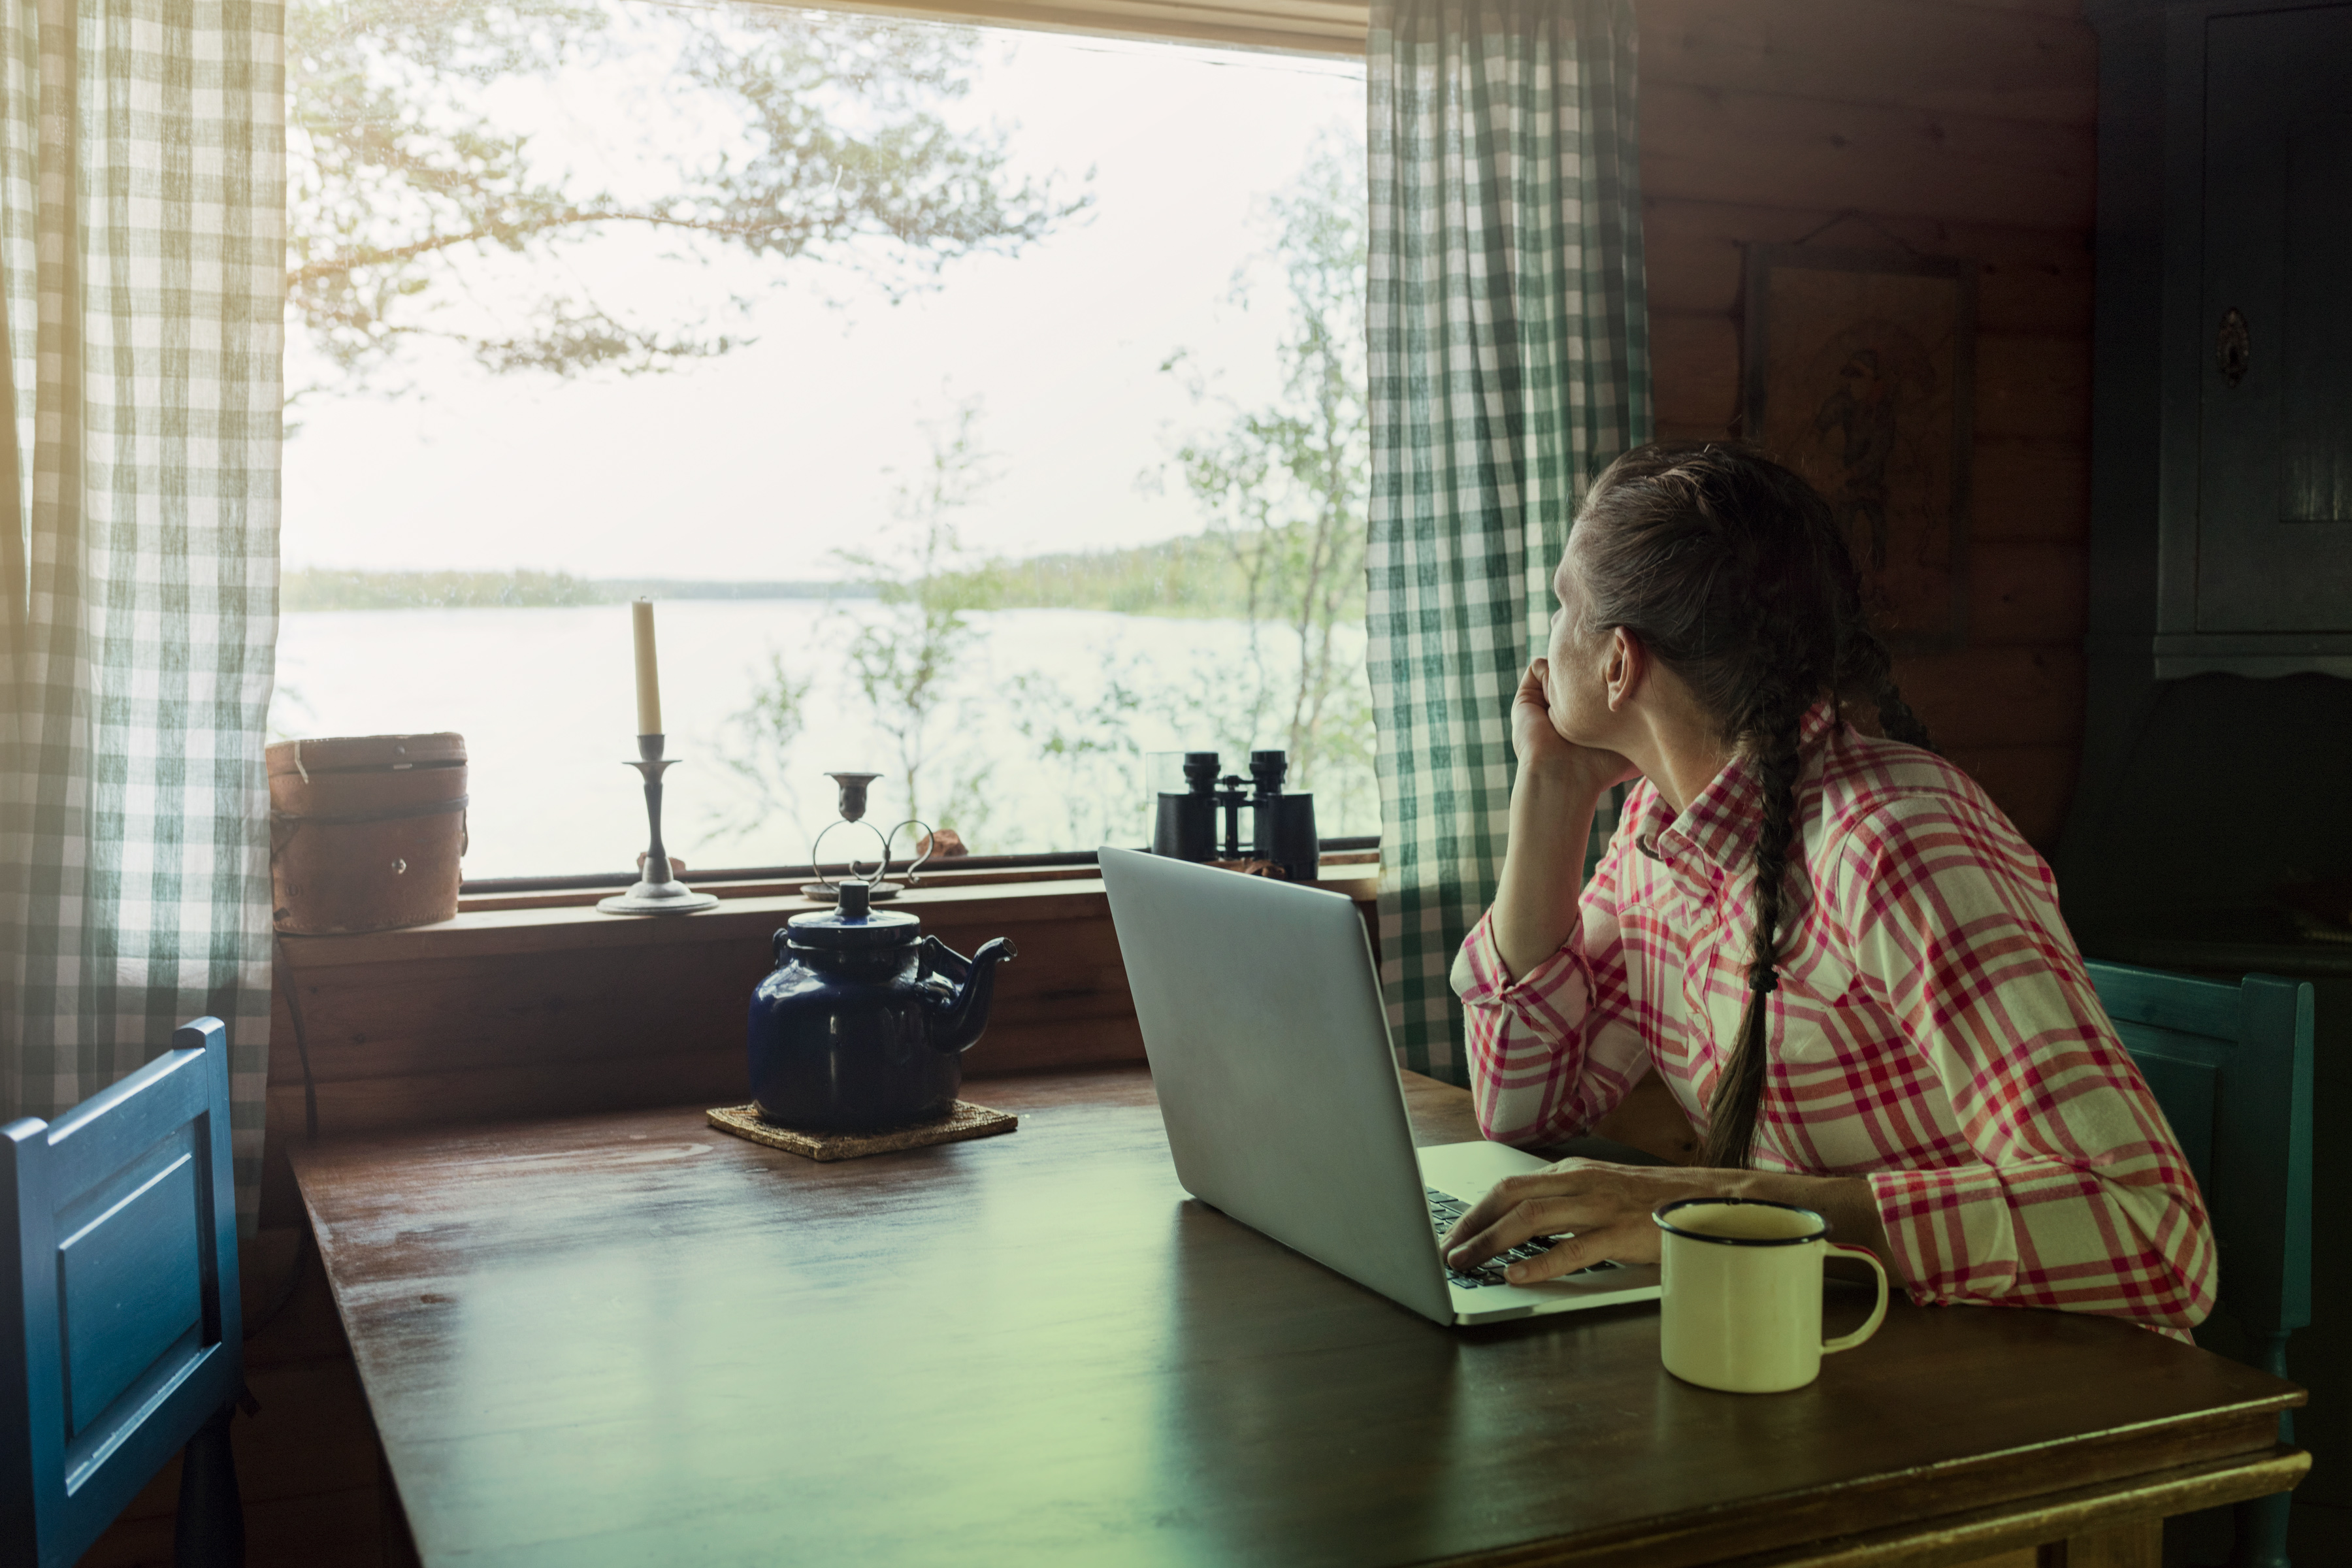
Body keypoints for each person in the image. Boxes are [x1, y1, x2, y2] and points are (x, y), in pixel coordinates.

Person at [1439, 442, 2214, 1337]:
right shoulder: (1661, 830)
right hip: (1853, 1351)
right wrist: (1552, 790)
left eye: (1561, 604)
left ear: (1619, 664)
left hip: (2034, 1380)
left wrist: (1715, 1204)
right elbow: (1523, 1103)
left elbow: (2155, 1233)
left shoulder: (1898, 841)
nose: (1546, 636)